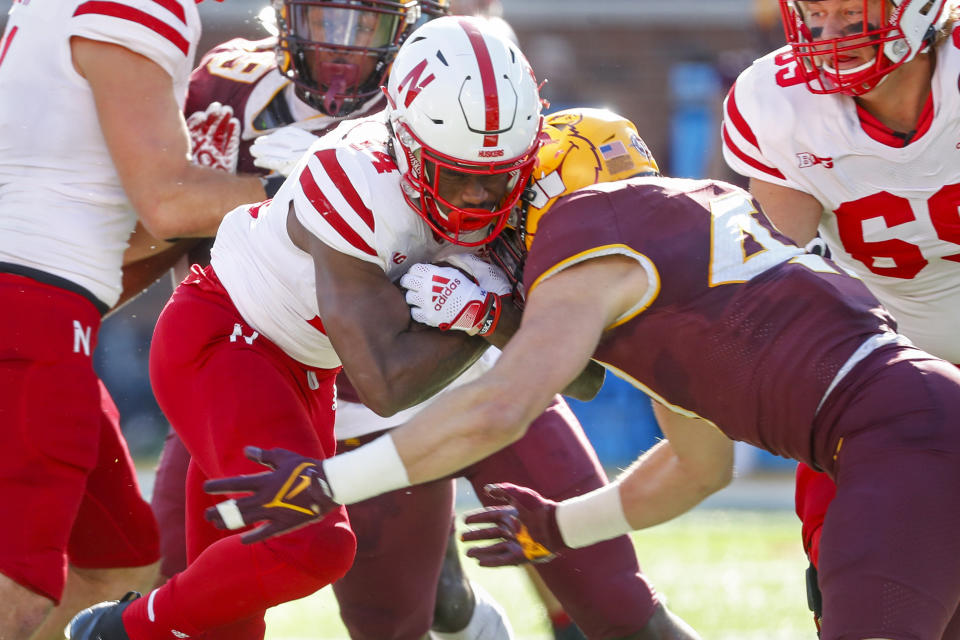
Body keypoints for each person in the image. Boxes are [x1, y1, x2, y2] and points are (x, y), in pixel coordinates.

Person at [200, 106, 960, 639]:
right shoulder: (685, 258)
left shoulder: (587, 232)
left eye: (500, 190)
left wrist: (331, 484)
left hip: (897, 444)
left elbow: (498, 408)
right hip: (921, 422)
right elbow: (700, 469)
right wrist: (559, 527)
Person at [64, 15, 565, 640]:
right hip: (226, 343)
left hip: (302, 370)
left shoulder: (535, 170)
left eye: (500, 175)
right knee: (314, 547)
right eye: (454, 171)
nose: (480, 197)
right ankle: (121, 630)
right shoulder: (353, 173)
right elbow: (385, 382)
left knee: (231, 616)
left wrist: (516, 302)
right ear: (404, 141)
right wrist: (487, 313)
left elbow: (582, 364)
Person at [0, 0, 270, 638]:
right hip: (33, 310)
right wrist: (323, 181)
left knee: (117, 562)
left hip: (41, 307)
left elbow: (127, 215)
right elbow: (168, 203)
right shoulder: (138, 6)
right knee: (20, 590)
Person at [719, 0, 960, 629]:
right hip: (883, 374)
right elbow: (776, 279)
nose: (828, 38)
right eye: (816, 16)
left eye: (851, 17)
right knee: (861, 598)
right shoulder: (781, 103)